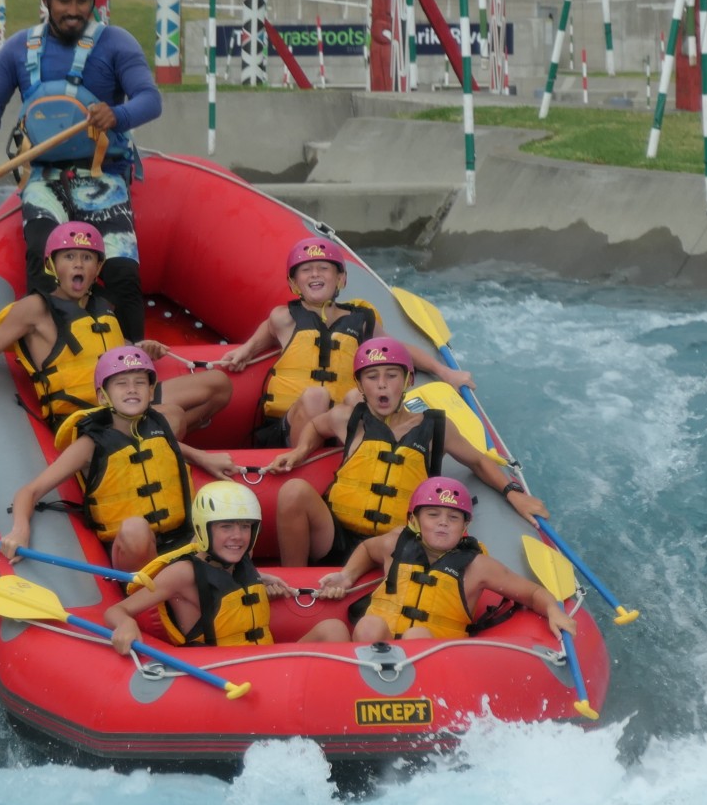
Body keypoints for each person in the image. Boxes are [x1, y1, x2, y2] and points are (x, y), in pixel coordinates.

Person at [0, 0, 162, 344]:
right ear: (47, 0)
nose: (74, 11)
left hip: (102, 177)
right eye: (64, 1)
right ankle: (56, 360)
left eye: (82, 1)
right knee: (45, 267)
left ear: (93, 1)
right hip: (43, 179)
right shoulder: (19, 50)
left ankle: (131, 370)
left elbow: (150, 99)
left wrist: (117, 115)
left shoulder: (116, 44)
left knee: (122, 274)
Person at [268, 338, 547, 567]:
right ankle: (296, 585)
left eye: (392, 376)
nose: (382, 384)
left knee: (397, 538)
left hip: (397, 542)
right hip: (336, 534)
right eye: (372, 376)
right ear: (359, 384)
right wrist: (300, 451)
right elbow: (317, 426)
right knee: (294, 491)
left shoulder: (436, 427)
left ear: (409, 380)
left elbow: (477, 460)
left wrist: (514, 494)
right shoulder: (347, 418)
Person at [0, 222, 228, 431]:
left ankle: (157, 439)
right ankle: (158, 438)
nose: (78, 265)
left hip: (126, 397)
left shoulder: (103, 306)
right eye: (68, 257)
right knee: (170, 415)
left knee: (219, 386)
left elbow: (108, 357)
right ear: (52, 265)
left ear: (98, 267)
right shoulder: (34, 309)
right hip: (85, 414)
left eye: (86, 258)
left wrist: (138, 350)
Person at [216, 237, 474, 448]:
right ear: (294, 283)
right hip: (288, 429)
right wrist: (246, 350)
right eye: (306, 269)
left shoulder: (360, 320)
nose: (315, 274)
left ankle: (362, 457)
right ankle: (307, 462)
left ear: (341, 279)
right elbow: (266, 330)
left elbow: (398, 351)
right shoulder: (284, 318)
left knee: (355, 397)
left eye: (324, 268)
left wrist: (445, 372)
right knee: (316, 396)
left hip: (341, 426)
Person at [1, 347, 238, 573]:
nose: (131, 389)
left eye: (140, 383)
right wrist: (20, 530)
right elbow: (30, 492)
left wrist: (203, 458)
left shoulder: (159, 425)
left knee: (221, 513)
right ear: (103, 397)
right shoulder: (89, 445)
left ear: (151, 391)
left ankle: (237, 577)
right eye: (121, 384)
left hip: (179, 542)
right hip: (133, 554)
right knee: (136, 528)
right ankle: (153, 596)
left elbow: (167, 448)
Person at [302, 477, 577, 644]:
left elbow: (532, 592)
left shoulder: (477, 566)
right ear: (414, 520)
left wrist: (554, 611)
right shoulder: (395, 543)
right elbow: (367, 549)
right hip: (373, 651)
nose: (443, 524)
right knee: (362, 625)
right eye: (433, 515)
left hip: (432, 663)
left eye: (453, 518)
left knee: (415, 636)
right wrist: (347, 576)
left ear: (464, 527)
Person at [103, 481, 291, 654]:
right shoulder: (183, 573)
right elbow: (116, 610)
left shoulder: (242, 559)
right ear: (204, 529)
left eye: (245, 527)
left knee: (323, 630)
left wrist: (260, 577)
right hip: (222, 669)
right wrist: (125, 623)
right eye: (226, 527)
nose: (238, 536)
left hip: (264, 660)